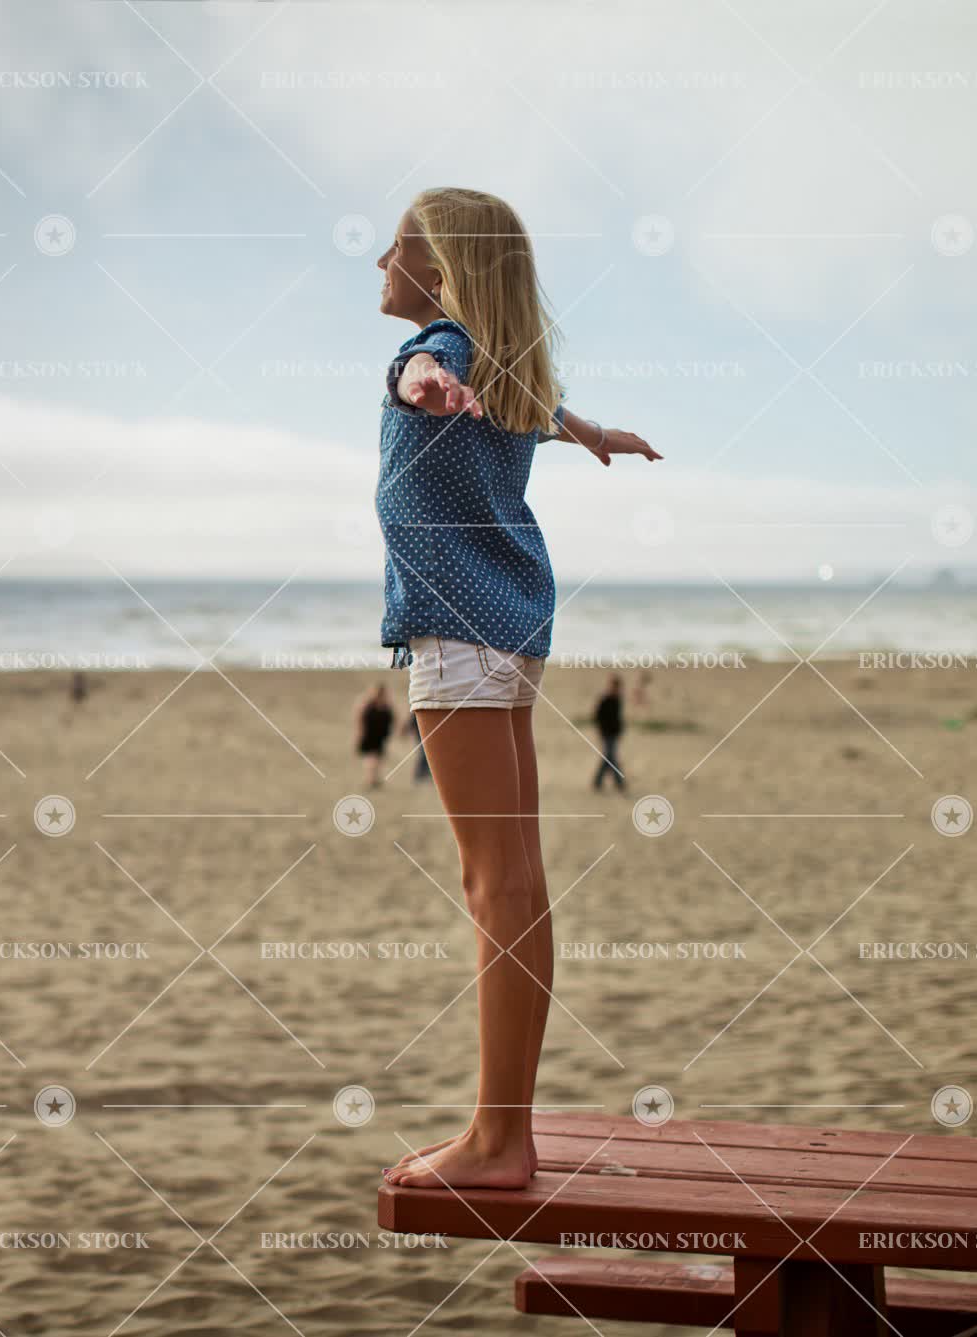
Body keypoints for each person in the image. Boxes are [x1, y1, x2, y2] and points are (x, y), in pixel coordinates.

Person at [375, 188, 661, 1191]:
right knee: (517, 880)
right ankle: (504, 1130)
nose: (379, 262)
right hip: (507, 627)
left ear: (443, 268)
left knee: (495, 884)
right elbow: (536, 407)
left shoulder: (440, 351)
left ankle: (499, 1141)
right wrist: (594, 432)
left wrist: (421, 382)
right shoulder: (498, 362)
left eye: (396, 247)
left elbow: (419, 371)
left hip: (457, 634)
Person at [354, 682, 396, 787]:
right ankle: (371, 779)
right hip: (371, 735)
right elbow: (360, 720)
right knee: (373, 758)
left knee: (376, 759)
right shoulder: (370, 705)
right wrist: (360, 734)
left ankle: (373, 779)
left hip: (378, 736)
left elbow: (393, 719)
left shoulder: (383, 706)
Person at [592, 673, 627, 792]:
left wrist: (620, 731)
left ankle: (599, 782)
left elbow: (618, 718)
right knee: (610, 758)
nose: (616, 689)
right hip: (606, 734)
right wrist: (601, 731)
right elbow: (598, 717)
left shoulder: (618, 700)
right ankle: (618, 782)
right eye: (614, 686)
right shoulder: (605, 700)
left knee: (609, 758)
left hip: (614, 734)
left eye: (617, 687)